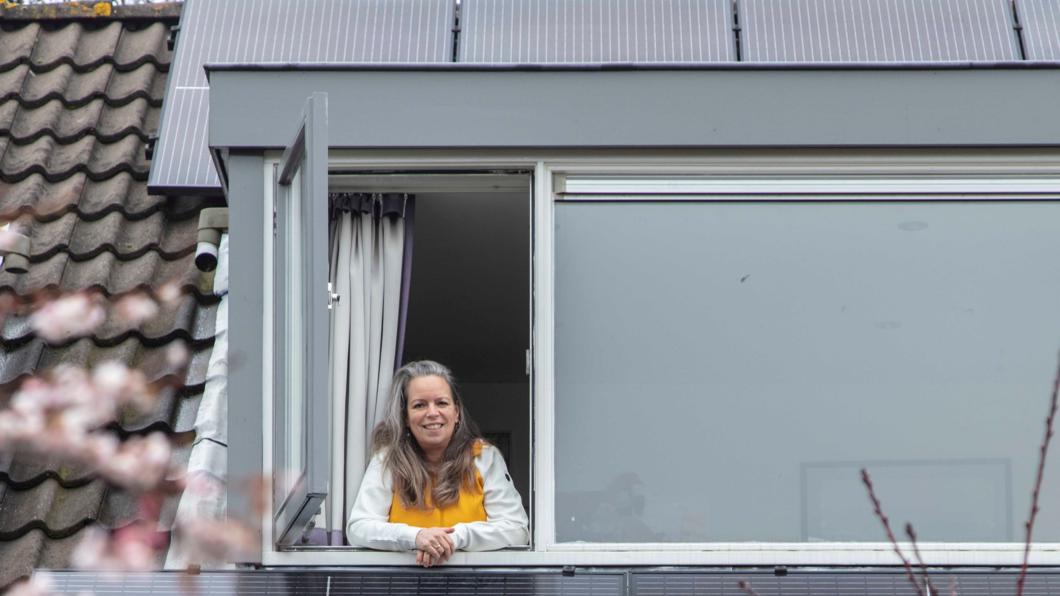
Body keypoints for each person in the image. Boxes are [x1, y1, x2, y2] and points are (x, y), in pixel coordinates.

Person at [346, 360, 529, 566]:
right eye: (420, 405)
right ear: (405, 416)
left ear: (456, 412)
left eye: (441, 403)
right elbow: (358, 529)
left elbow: (517, 530)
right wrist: (416, 537)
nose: (432, 413)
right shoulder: (387, 460)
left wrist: (456, 536)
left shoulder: (484, 457)